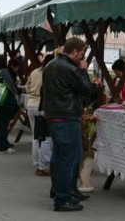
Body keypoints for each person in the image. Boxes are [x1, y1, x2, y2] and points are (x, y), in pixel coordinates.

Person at [43, 37, 101, 212]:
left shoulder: (51, 65)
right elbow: (85, 89)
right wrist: (83, 71)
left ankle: (63, 190)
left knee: (60, 157)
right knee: (67, 159)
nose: (82, 59)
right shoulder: (69, 67)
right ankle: (62, 199)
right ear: (74, 51)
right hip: (66, 117)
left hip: (54, 115)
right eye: (81, 55)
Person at [26, 53, 55, 176]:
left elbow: (27, 88)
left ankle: (37, 163)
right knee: (45, 138)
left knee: (35, 136)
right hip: (42, 106)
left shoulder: (33, 72)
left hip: (31, 104)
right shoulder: (50, 73)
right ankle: (43, 167)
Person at [0, 56, 20, 154]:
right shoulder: (4, 71)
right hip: (6, 100)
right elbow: (10, 83)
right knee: (4, 123)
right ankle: (3, 147)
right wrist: (16, 93)